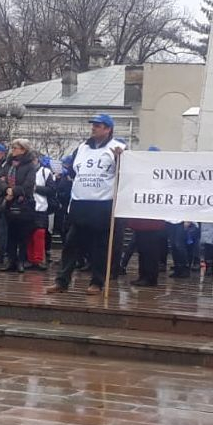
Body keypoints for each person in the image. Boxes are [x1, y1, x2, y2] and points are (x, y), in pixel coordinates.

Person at [46, 113, 127, 296]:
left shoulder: (118, 148)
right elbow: (74, 171)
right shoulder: (82, 147)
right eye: (93, 125)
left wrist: (120, 160)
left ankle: (97, 282)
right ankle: (62, 281)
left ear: (108, 129)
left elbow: (125, 174)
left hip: (102, 203)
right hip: (80, 203)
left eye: (98, 125)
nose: (94, 128)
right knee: (71, 244)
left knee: (100, 246)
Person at [0, 139, 41, 273]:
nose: (13, 150)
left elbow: (28, 184)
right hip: (8, 202)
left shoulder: (29, 166)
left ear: (23, 150)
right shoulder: (8, 163)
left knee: (22, 234)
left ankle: (21, 260)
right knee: (10, 233)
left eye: (16, 148)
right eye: (13, 148)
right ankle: (10, 260)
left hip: (23, 203)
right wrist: (6, 189)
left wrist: (13, 191)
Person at [29, 155, 55, 271]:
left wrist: (36, 188)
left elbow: (52, 190)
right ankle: (30, 259)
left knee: (39, 233)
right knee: (28, 234)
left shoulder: (46, 172)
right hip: (28, 207)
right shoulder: (25, 171)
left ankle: (39, 259)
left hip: (41, 207)